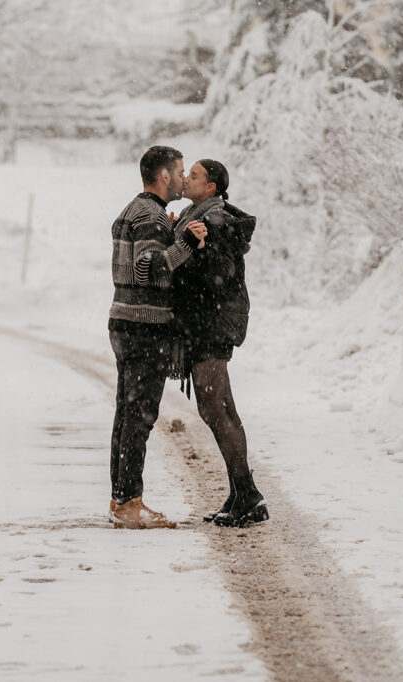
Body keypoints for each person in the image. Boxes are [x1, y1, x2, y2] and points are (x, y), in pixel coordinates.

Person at [107, 145, 207, 529]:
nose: (183, 179)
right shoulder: (150, 216)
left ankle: (122, 500)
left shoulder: (135, 210)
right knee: (140, 416)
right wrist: (184, 244)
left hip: (123, 321)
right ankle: (130, 503)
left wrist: (170, 232)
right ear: (164, 175)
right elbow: (147, 269)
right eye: (180, 171)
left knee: (127, 414)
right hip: (144, 326)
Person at [172, 159, 267, 528]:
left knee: (214, 409)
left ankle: (248, 494)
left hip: (210, 325)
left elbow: (219, 275)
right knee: (222, 408)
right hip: (207, 323)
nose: (186, 179)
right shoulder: (202, 217)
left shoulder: (215, 222)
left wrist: (194, 245)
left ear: (210, 187)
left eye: (193, 176)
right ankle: (241, 492)